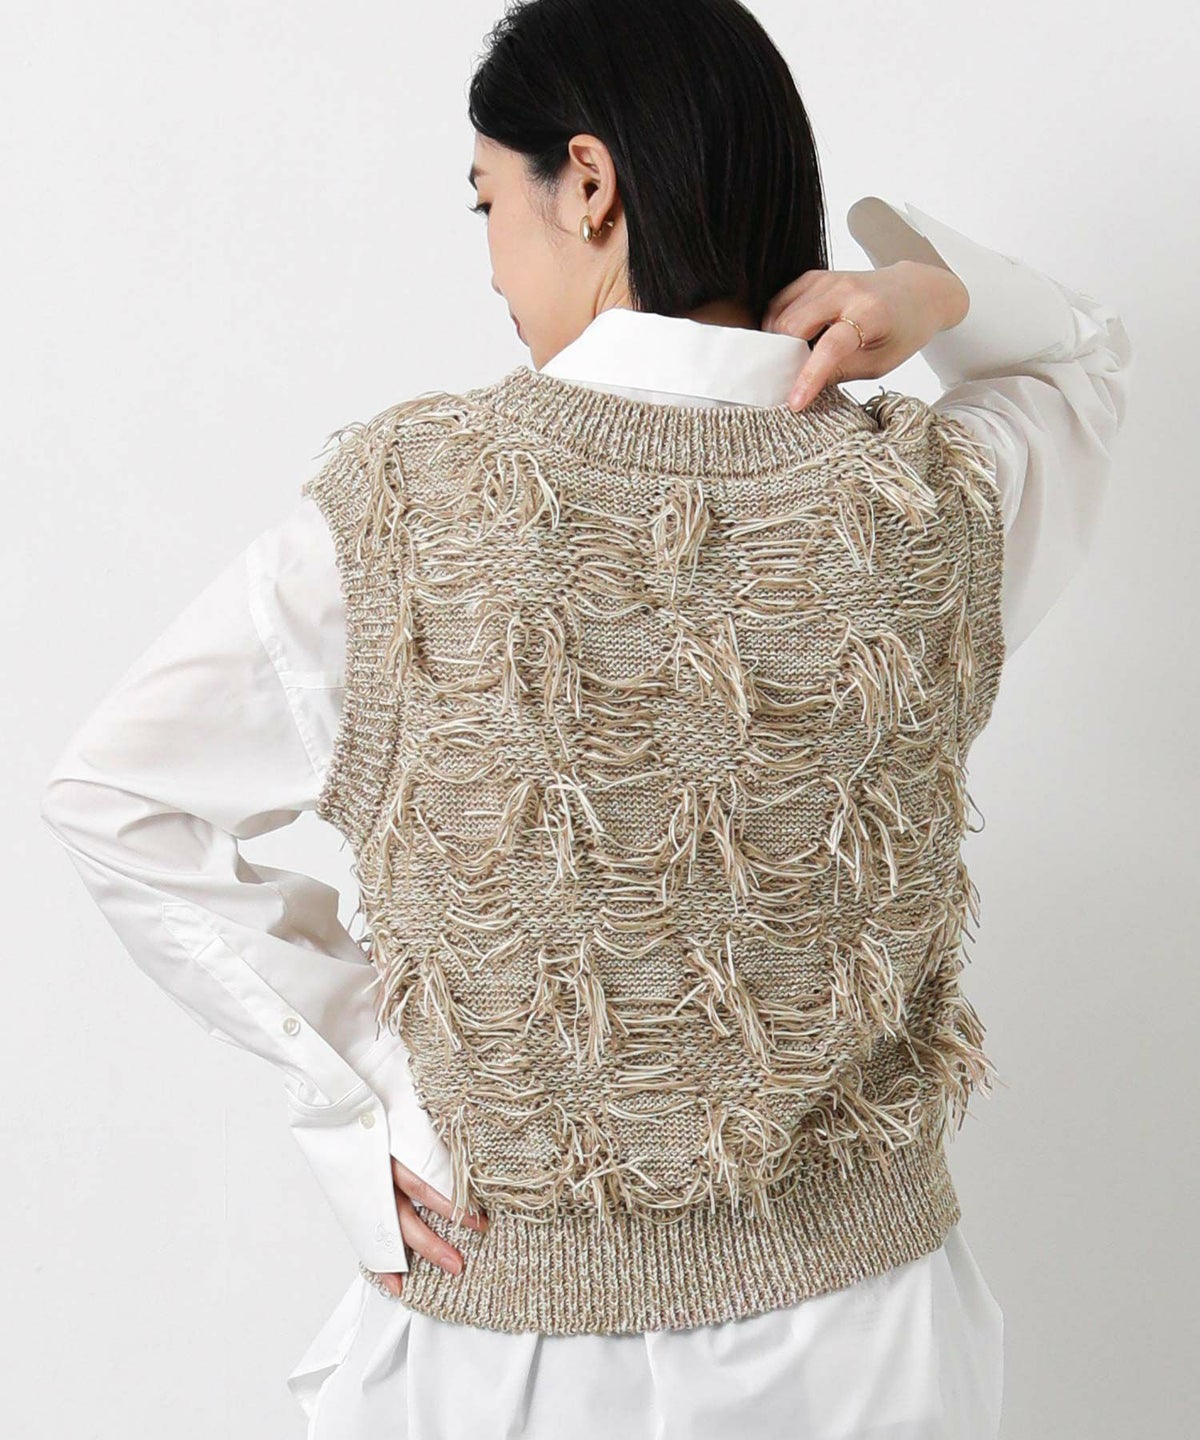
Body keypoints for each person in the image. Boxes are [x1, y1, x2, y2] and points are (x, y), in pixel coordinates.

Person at [38, 1, 1132, 1436]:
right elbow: (1079, 364)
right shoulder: (932, 498)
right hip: (873, 1348)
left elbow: (116, 797)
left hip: (517, 1351)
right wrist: (921, 294)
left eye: (489, 200)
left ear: (591, 184)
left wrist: (374, 1090)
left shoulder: (412, 515)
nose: (490, 256)